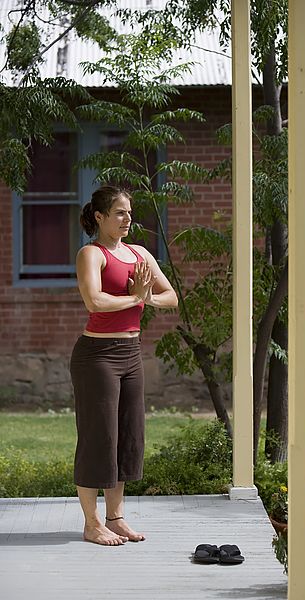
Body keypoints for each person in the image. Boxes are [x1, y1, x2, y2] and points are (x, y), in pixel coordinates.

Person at [70, 185, 178, 546]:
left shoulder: (140, 253)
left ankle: (115, 518)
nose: (127, 218)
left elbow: (171, 296)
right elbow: (95, 301)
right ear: (99, 217)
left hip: (131, 355)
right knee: (99, 438)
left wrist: (146, 297)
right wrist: (137, 297)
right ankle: (91, 523)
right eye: (119, 212)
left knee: (128, 438)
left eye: (129, 212)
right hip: (97, 357)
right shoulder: (92, 253)